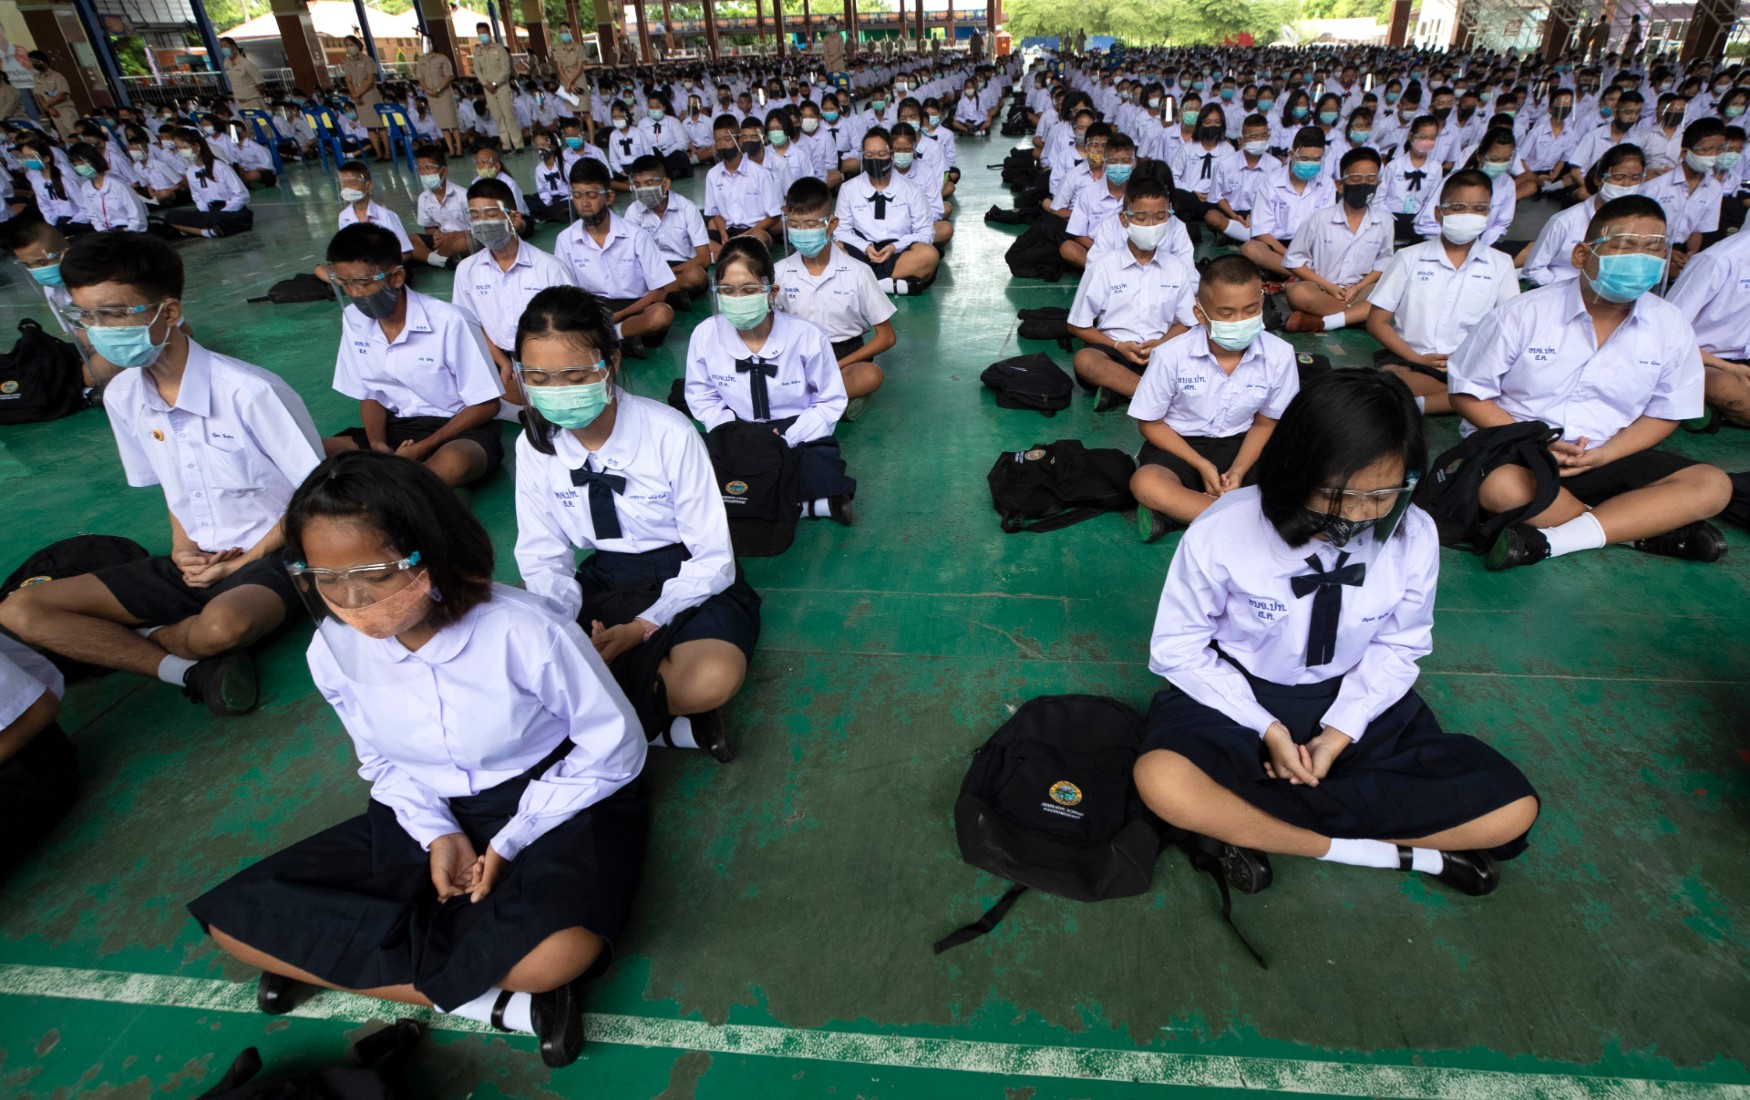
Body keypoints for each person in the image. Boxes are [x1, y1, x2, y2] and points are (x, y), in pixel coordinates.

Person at [188, 450, 648, 1069]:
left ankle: (345, 964)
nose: (350, 598)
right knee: (231, 921)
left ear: (430, 553)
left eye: (373, 572)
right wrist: (436, 834)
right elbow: (379, 761)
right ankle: (500, 1003)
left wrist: (510, 841)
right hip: (421, 806)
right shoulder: (333, 649)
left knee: (557, 954)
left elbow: (613, 748)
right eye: (324, 576)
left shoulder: (526, 631)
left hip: (553, 798)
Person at [1135, 370, 1540, 900]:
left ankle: (1254, 826)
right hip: (1236, 692)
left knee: (1512, 808)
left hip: (1354, 693)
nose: (1355, 515)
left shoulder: (1413, 534)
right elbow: (1180, 649)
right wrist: (1268, 728)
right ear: (1293, 468)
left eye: (1381, 495)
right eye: (1335, 494)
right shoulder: (1223, 530)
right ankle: (1393, 851)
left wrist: (1340, 732)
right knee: (1162, 779)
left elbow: (1399, 645)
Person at [0, 232, 323, 716]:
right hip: (196, 562)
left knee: (222, 628)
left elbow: (317, 501)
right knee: (20, 610)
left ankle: (148, 639)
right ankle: (186, 670)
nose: (97, 329)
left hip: (276, 554)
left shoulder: (249, 392)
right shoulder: (123, 395)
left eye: (113, 313)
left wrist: (240, 562)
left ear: (168, 313)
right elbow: (174, 489)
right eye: (85, 315)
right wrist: (183, 547)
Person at [512, 285, 758, 762]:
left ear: (611, 363)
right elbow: (544, 556)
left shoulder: (670, 433)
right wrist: (564, 625)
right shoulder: (535, 445)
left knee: (712, 675)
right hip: (602, 578)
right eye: (538, 377)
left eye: (574, 374)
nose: (556, 391)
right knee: (522, 664)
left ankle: (599, 730)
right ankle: (665, 730)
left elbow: (712, 558)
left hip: (686, 576)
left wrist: (642, 627)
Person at [1446, 196, 1732, 571]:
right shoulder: (1523, 313)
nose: (1641, 258)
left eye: (1653, 248)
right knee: (1500, 489)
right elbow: (1469, 394)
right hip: (1519, 447)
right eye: (1626, 246)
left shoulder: (1670, 323)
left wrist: (1605, 454)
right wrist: (1536, 439)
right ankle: (1637, 528)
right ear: (1583, 254)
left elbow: (1667, 412)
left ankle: (1553, 539)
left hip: (1608, 452)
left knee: (1712, 485)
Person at [683, 237, 854, 525]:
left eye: (748, 289)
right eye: (727, 290)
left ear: (771, 291)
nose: (737, 299)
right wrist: (734, 433)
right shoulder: (705, 334)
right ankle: (805, 506)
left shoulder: (805, 336)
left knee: (818, 464)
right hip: (736, 427)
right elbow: (702, 395)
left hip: (794, 427)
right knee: (698, 468)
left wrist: (788, 438)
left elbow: (829, 400)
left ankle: (755, 505)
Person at [1128, 254, 1300, 542]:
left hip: (1242, 444)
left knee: (1298, 472)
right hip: (1180, 447)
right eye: (1226, 313)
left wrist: (1239, 469)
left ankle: (1188, 513)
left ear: (1261, 302)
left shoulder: (1280, 354)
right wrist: (1201, 464)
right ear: (1200, 314)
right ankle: (1253, 523)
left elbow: (1266, 424)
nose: (1240, 321)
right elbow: (1151, 424)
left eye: (1250, 309)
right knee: (1147, 483)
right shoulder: (1171, 355)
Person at [322, 224, 505, 488]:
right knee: (313, 450)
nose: (354, 294)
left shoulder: (450, 321)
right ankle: (408, 485)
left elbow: (487, 405)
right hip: (398, 429)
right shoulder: (353, 319)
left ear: (396, 278)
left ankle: (404, 489)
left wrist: (424, 447)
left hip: (459, 428)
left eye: (362, 283)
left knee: (455, 462)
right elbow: (371, 393)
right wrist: (377, 444)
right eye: (345, 283)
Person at [1366, 171, 1520, 417]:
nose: (1469, 215)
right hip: (1411, 362)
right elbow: (1377, 321)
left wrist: (1474, 366)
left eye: (1479, 209)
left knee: (1506, 386)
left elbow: (1511, 329)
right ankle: (1453, 401)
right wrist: (1416, 357)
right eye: (1458, 207)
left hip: (1470, 368)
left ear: (1488, 214)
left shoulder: (1501, 264)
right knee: (1390, 379)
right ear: (1439, 214)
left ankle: (1417, 406)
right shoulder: (1409, 257)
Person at [1066, 175, 1198, 407]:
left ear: (1169, 218)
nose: (1152, 225)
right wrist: (1118, 346)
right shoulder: (1104, 266)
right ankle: (1159, 396)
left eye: (1160, 217)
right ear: (1124, 220)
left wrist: (1162, 344)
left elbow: (1185, 322)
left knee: (1203, 355)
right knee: (1086, 361)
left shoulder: (1176, 268)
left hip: (1163, 349)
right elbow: (1077, 324)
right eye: (1142, 217)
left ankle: (1123, 390)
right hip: (1114, 349)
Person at [774, 177, 896, 417]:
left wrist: (837, 366)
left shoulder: (858, 272)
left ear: (831, 224)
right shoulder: (778, 271)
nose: (802, 232)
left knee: (870, 375)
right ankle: (831, 402)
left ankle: (806, 401)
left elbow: (887, 336)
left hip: (846, 357)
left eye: (810, 224)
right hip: (797, 356)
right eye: (795, 225)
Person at [454, 177, 575, 399]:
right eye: (474, 216)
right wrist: (502, 362)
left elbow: (569, 327)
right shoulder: (466, 270)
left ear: (513, 217)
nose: (481, 223)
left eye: (490, 215)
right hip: (497, 358)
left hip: (546, 357)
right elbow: (472, 323)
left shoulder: (549, 267)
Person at [553, 159, 677, 352]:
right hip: (592, 310)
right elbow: (567, 296)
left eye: (591, 195)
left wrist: (618, 316)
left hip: (633, 307)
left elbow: (659, 292)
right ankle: (624, 340)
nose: (584, 203)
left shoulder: (636, 235)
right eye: (577, 195)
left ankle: (609, 337)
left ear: (609, 197)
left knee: (661, 314)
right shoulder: (565, 239)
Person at [1281, 147, 1395, 334]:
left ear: (1378, 183)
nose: (1364, 184)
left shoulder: (1385, 221)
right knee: (1298, 293)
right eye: (1356, 179)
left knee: (1393, 294)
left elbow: (1383, 263)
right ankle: (1357, 318)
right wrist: (1330, 287)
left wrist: (1359, 287)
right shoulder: (1319, 218)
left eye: (1371, 179)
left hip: (1360, 292)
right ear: (1340, 184)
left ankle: (1323, 322)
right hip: (1322, 291)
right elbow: (1293, 261)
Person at [834, 127, 939, 296]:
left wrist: (894, 247)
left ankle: (864, 283)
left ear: (891, 154)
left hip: (898, 253)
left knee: (928, 254)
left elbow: (926, 232)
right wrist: (865, 247)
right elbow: (841, 231)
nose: (875, 159)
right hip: (861, 252)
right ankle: (887, 284)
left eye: (881, 155)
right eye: (869, 155)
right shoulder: (848, 188)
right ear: (862, 156)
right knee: (835, 249)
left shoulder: (911, 189)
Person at [1664, 223, 1750, 429]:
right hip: (1704, 360)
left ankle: (1706, 409)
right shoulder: (1719, 260)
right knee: (1727, 390)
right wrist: (1727, 367)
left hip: (1744, 360)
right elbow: (1667, 333)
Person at [1522, 144, 1644, 286]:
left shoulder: (1640, 225)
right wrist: (1569, 291)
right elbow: (1533, 270)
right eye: (1618, 177)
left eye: (1635, 178)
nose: (1626, 184)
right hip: (1562, 293)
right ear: (1599, 179)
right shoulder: (1566, 220)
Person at [1240, 127, 1333, 279]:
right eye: (1304, 159)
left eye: (1316, 159)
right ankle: (1307, 275)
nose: (1310, 163)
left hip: (1310, 248)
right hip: (1278, 247)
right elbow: (1262, 233)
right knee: (1250, 249)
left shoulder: (1327, 184)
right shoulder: (1271, 183)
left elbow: (1327, 228)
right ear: (1292, 155)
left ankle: (1298, 274)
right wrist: (1290, 257)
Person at [1639, 118, 1726, 273]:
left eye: (1718, 149)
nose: (1713, 156)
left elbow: (1698, 229)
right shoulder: (1656, 187)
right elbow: (1641, 228)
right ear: (1685, 152)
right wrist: (1666, 252)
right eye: (1706, 150)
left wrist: (1691, 256)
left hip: (1681, 250)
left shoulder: (1714, 189)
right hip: (1647, 249)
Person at [622, 154, 710, 302]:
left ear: (666, 184)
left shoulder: (686, 208)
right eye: (638, 185)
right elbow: (629, 255)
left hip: (681, 267)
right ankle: (672, 297)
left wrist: (668, 273)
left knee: (696, 276)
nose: (643, 189)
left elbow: (704, 258)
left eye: (649, 182)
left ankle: (653, 297)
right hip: (649, 268)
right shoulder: (633, 211)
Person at [313, 160, 414, 279]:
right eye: (343, 183)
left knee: (392, 275)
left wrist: (379, 266)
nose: (346, 188)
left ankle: (352, 283)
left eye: (351, 183)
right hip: (359, 267)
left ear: (368, 186)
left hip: (382, 267)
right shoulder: (344, 216)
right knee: (319, 269)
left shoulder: (386, 215)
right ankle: (351, 282)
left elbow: (406, 253)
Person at [703, 113, 782, 250]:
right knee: (702, 243)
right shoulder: (712, 174)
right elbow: (715, 213)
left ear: (739, 140)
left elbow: (773, 216)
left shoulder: (759, 173)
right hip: (728, 231)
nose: (722, 145)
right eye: (718, 140)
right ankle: (729, 251)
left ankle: (728, 252)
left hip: (755, 229)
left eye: (727, 139)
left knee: (760, 238)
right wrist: (722, 234)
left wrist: (746, 235)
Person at [161, 128, 254, 239]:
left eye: (185, 147)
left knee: (224, 218)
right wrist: (204, 212)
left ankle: (205, 230)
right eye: (179, 148)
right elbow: (197, 197)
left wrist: (224, 210)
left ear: (197, 146)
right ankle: (210, 230)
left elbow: (242, 195)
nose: (181, 151)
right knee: (170, 216)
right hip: (210, 212)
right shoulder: (191, 171)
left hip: (230, 210)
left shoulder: (220, 167)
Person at [1206, 113, 1279, 244]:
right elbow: (1217, 197)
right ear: (1242, 139)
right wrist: (1234, 216)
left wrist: (1255, 217)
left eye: (1263, 136)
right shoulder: (1226, 164)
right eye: (1254, 136)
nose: (1259, 140)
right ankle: (1250, 238)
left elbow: (1274, 200)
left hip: (1260, 215)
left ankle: (1233, 236)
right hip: (1231, 213)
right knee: (1212, 217)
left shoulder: (1275, 166)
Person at [68, 142, 147, 233]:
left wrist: (127, 233)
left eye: (81, 163)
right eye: (75, 165)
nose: (79, 167)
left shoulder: (117, 184)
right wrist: (102, 231)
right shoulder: (86, 188)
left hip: (129, 231)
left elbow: (137, 217)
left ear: (93, 160)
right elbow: (93, 216)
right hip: (107, 232)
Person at [473, 24, 522, 153]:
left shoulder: (499, 49)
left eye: (483, 32)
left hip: (501, 87)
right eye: (479, 33)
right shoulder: (477, 52)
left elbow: (506, 70)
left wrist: (494, 83)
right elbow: (477, 70)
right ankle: (506, 145)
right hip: (488, 89)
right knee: (497, 117)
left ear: (489, 33)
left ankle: (518, 145)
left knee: (509, 115)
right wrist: (485, 84)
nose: (481, 35)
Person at [339, 36, 387, 162]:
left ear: (358, 44)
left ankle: (388, 153)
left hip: (370, 96)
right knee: (369, 127)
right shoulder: (348, 62)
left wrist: (358, 94)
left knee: (379, 125)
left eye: (352, 44)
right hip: (358, 98)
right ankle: (379, 154)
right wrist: (354, 95)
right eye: (347, 45)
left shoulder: (368, 60)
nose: (350, 47)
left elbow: (370, 80)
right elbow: (348, 80)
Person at [416, 44, 462, 158]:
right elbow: (420, 78)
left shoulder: (442, 58)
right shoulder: (421, 60)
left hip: (444, 93)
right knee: (442, 123)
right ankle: (451, 148)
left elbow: (448, 76)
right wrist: (427, 90)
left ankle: (459, 147)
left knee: (452, 121)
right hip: (431, 95)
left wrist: (438, 89)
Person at [29, 52, 76, 141]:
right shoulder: (37, 77)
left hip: (64, 109)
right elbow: (38, 94)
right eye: (32, 62)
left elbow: (62, 95)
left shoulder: (57, 76)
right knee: (65, 136)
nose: (34, 64)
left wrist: (46, 106)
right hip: (52, 111)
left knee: (74, 133)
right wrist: (49, 109)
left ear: (44, 62)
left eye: (36, 62)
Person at [221, 39, 266, 111]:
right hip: (239, 102)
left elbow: (260, 85)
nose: (223, 49)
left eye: (225, 46)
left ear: (234, 47)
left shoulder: (246, 63)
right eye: (221, 47)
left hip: (252, 101)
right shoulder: (226, 63)